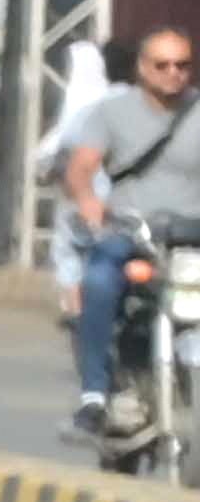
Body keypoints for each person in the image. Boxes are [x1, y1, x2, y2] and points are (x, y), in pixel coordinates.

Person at [48, 26, 200, 427]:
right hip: (131, 235)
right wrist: (88, 202)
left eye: (182, 65)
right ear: (142, 68)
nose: (173, 73)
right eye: (162, 65)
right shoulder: (110, 113)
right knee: (98, 282)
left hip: (191, 240)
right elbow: (81, 169)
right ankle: (94, 394)